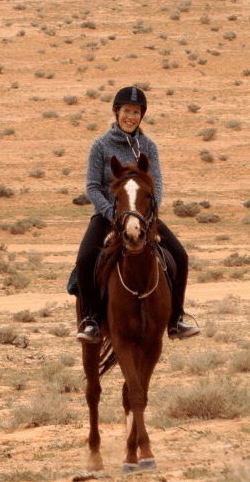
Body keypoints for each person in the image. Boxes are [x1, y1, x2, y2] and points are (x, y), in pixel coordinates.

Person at [74, 86, 200, 344]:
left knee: (180, 256)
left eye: (136, 112)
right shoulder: (100, 145)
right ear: (116, 112)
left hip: (143, 216)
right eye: (126, 111)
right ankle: (90, 321)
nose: (130, 117)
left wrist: (147, 216)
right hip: (108, 215)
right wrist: (112, 214)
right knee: (85, 258)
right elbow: (92, 187)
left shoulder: (149, 146)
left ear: (141, 116)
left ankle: (176, 319)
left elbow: (157, 186)